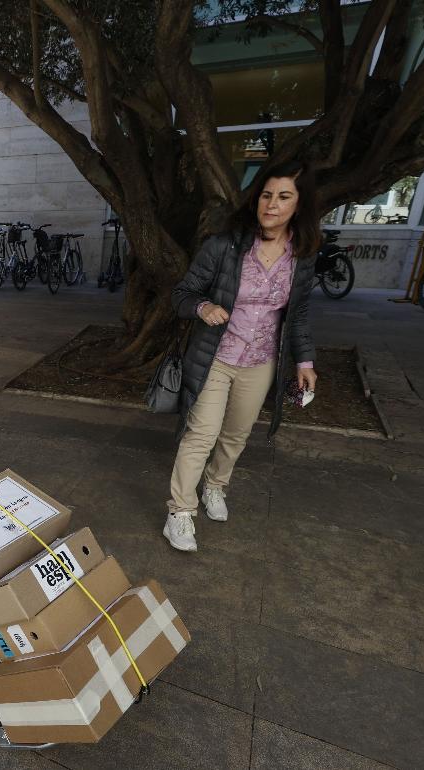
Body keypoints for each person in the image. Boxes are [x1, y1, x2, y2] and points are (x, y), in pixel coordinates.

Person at [164, 161, 318, 553]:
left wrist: (305, 363)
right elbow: (181, 294)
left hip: (262, 361)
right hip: (216, 355)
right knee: (202, 433)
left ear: (298, 206)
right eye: (266, 195)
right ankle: (180, 511)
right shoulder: (225, 246)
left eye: (284, 197)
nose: (272, 204)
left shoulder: (301, 255)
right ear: (256, 200)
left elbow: (297, 315)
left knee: (236, 435)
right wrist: (202, 308)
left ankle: (216, 486)